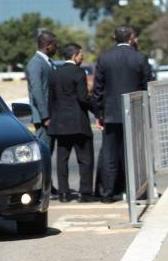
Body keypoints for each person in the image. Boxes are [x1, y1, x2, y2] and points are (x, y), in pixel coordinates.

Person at [93, 26, 152, 203]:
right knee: (135, 154)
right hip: (134, 112)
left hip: (111, 113)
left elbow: (98, 89)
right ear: (131, 37)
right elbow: (147, 86)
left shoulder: (104, 57)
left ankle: (107, 194)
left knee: (110, 155)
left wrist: (99, 113)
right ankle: (136, 192)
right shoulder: (140, 57)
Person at [48, 44, 98, 203]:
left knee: (62, 160)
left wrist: (51, 118)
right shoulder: (78, 72)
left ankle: (63, 193)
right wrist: (97, 111)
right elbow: (83, 98)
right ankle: (85, 193)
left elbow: (51, 99)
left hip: (60, 124)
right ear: (74, 55)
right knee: (85, 159)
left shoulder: (54, 73)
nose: (82, 57)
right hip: (78, 123)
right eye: (81, 54)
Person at [26, 30, 59, 197]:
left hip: (51, 117)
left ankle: (48, 185)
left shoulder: (47, 62)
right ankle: (41, 188)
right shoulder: (36, 64)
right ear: (47, 45)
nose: (57, 47)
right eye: (55, 44)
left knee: (48, 153)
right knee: (43, 154)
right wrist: (45, 116)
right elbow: (38, 91)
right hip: (44, 119)